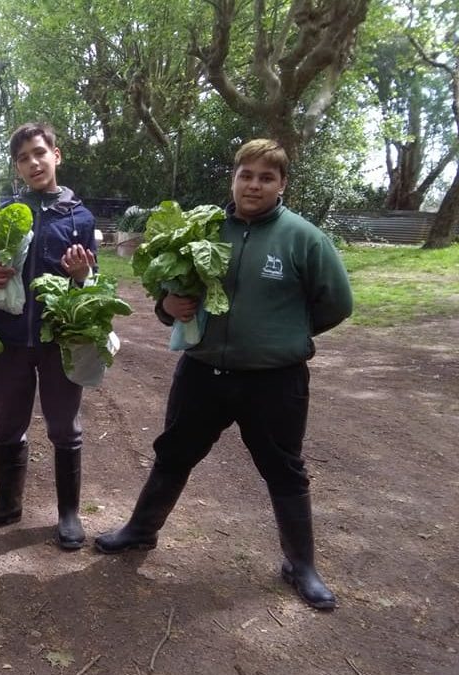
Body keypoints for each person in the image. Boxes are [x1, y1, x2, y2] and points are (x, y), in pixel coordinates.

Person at [94, 139, 354, 611]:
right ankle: (140, 531)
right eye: (246, 175)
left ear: (282, 185)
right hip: (202, 373)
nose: (254, 185)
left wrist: (286, 333)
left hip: (275, 382)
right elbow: (172, 292)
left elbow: (338, 304)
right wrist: (166, 307)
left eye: (266, 177)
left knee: (285, 469)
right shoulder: (203, 231)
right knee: (173, 453)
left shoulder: (304, 238)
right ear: (233, 179)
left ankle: (302, 565)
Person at [0, 122, 97, 551]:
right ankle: (6, 505)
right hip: (9, 338)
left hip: (60, 339)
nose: (33, 163)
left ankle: (69, 515)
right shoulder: (6, 211)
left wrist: (82, 275)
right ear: (17, 167)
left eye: (39, 153)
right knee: (7, 423)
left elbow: (88, 285)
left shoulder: (80, 215)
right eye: (23, 158)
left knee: (65, 428)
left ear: (56, 156)